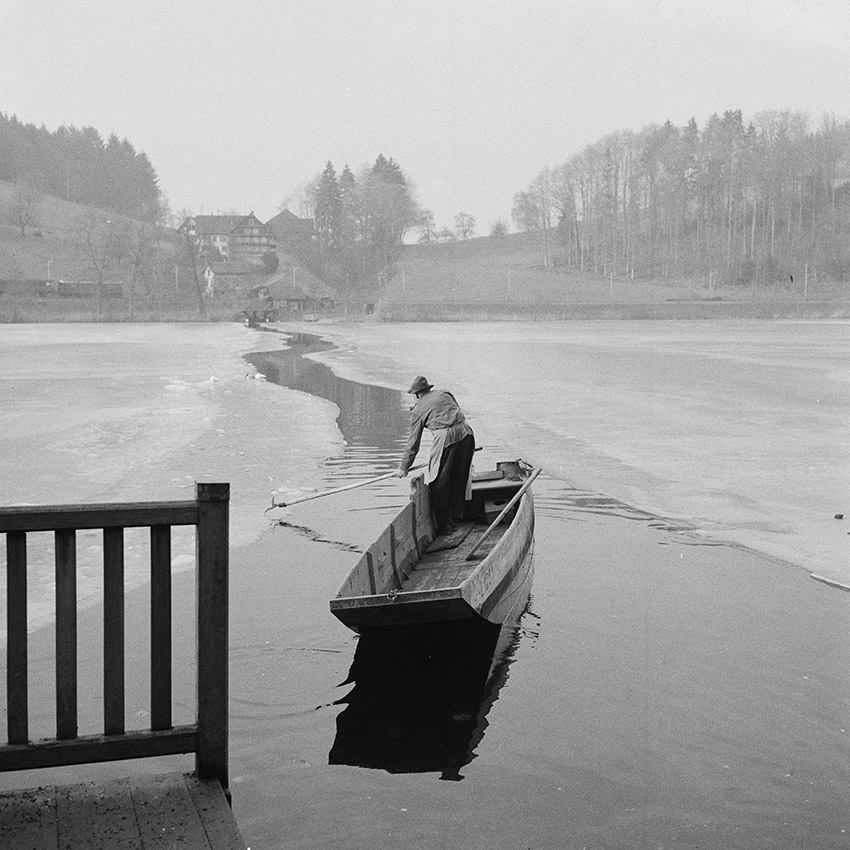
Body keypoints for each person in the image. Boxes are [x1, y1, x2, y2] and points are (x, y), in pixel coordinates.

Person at [397, 375, 476, 535]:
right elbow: (455, 412)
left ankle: (445, 527)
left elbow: (413, 443)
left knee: (438, 484)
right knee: (458, 478)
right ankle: (456, 518)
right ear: (428, 389)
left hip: (447, 438)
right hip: (467, 433)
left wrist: (404, 467)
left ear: (416, 394)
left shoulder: (417, 410)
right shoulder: (445, 393)